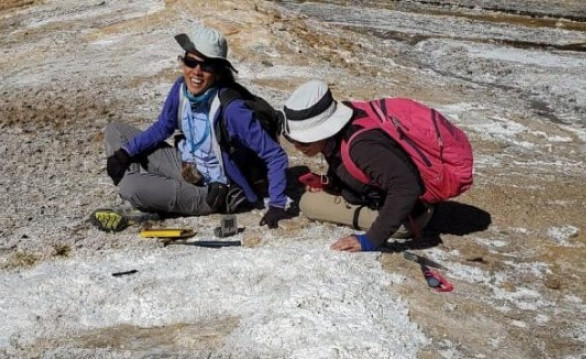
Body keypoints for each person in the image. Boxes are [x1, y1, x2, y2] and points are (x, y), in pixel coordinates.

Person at [93, 25, 292, 231]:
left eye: (207, 66)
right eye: (191, 62)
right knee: (116, 131)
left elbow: (275, 155)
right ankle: (150, 196)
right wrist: (126, 153)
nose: (196, 72)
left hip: (216, 191)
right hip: (189, 167)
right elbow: (163, 127)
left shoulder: (232, 110)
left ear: (218, 72)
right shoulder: (181, 88)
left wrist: (277, 204)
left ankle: (145, 196)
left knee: (131, 187)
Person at [282, 80, 435, 252]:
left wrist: (370, 240)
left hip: (409, 215)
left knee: (309, 204)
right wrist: (329, 183)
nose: (296, 147)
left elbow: (406, 188)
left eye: (302, 140)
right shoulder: (339, 133)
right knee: (313, 199)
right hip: (379, 198)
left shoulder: (362, 146)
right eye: (291, 139)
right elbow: (349, 168)